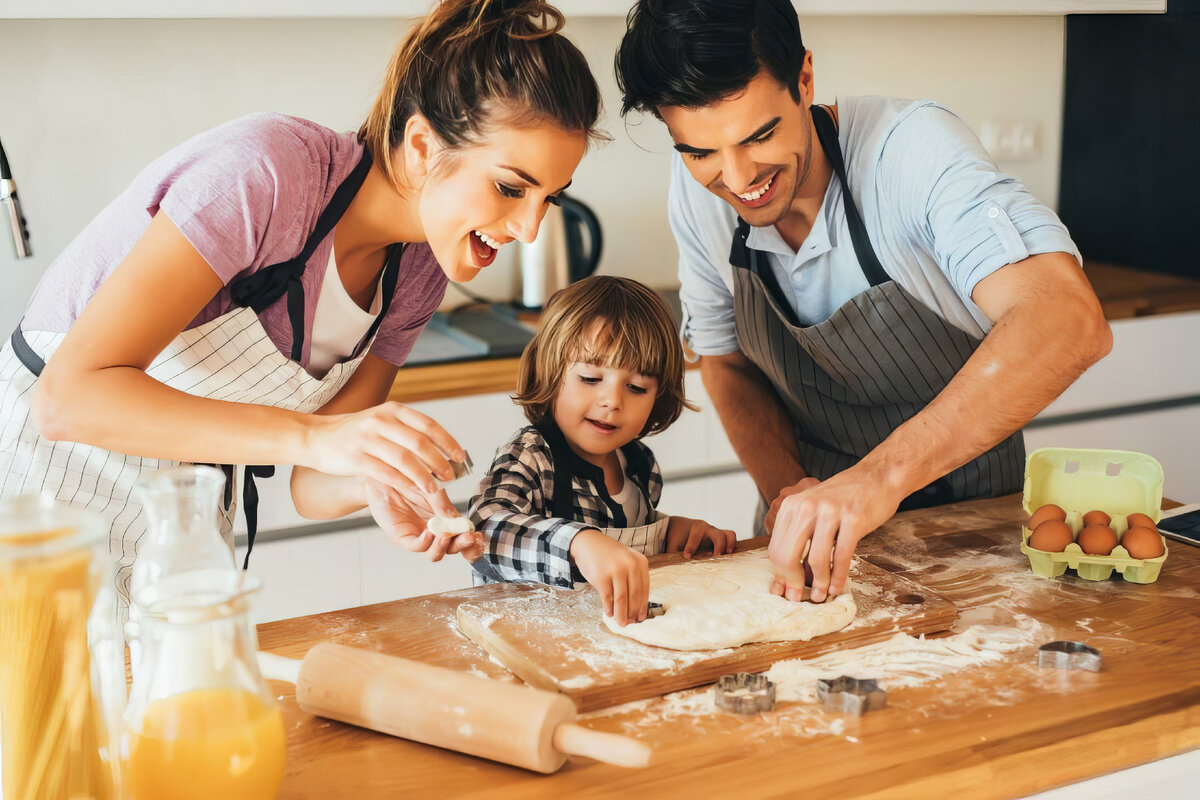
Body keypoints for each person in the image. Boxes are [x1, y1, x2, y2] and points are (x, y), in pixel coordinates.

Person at [0, 0, 603, 602]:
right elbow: (68, 398)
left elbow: (312, 482)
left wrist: (379, 482)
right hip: (40, 506)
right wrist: (317, 440)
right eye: (509, 187)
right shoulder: (265, 174)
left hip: (177, 531)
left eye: (549, 196)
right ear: (421, 146)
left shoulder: (418, 273)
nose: (529, 228)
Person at [614, 0, 1112, 606]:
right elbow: (727, 359)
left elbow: (1067, 319)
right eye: (700, 153)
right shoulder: (700, 195)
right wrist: (789, 496)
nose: (737, 177)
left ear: (804, 80)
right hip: (811, 544)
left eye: (761, 134)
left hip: (973, 528)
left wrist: (877, 479)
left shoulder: (910, 152)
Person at [468, 276, 737, 626]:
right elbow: (484, 528)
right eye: (591, 379)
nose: (612, 401)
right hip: (520, 645)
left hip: (602, 645)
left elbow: (629, 549)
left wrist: (672, 534)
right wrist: (579, 543)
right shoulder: (531, 455)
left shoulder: (641, 467)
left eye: (637, 387)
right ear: (549, 371)